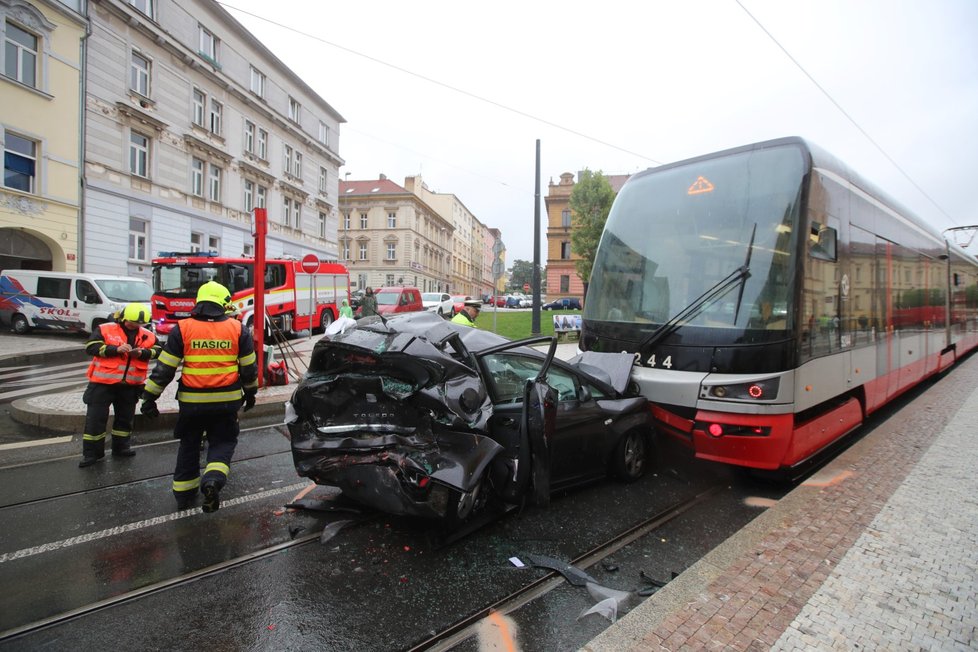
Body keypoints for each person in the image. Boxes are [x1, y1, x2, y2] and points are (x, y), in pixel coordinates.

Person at [139, 281, 258, 512]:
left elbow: (164, 369)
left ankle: (184, 494)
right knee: (222, 442)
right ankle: (213, 481)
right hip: (226, 402)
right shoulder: (237, 329)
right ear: (224, 304)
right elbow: (249, 369)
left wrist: (149, 397)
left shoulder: (182, 329)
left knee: (189, 444)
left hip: (192, 403)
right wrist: (251, 393)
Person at [79, 303, 160, 468]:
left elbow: (159, 350)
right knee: (95, 420)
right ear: (123, 318)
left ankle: (121, 447)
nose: (135, 326)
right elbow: (91, 347)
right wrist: (114, 349)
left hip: (130, 386)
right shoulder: (105, 329)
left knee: (125, 419)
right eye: (131, 323)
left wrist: (143, 353)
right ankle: (92, 454)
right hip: (102, 384)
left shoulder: (147, 334)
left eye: (139, 324)